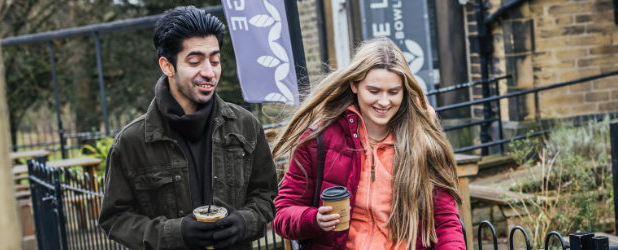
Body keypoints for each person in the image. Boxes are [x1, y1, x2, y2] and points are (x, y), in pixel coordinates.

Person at [99, 6, 277, 250]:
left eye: (215, 61)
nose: (209, 72)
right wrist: (176, 233)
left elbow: (267, 197)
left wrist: (244, 222)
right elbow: (115, 219)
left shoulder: (246, 126)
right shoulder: (131, 142)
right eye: (195, 62)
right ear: (167, 66)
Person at [271, 37, 465, 250]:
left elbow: (446, 221)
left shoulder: (423, 139)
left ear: (404, 90)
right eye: (373, 91)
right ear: (354, 84)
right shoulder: (319, 139)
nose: (383, 102)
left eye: (393, 92)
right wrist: (314, 219)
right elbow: (282, 213)